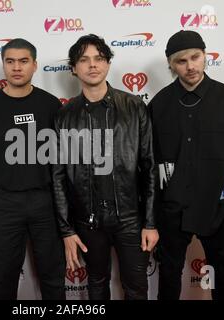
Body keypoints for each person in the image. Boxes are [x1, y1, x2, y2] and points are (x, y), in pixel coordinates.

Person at [149, 30, 224, 300]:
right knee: (169, 276)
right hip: (172, 209)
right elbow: (149, 162)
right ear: (171, 65)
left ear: (205, 56)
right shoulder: (158, 105)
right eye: (181, 61)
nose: (191, 66)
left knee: (223, 276)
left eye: (195, 57)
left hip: (218, 209)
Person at [52, 34, 159, 300]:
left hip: (130, 221)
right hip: (88, 222)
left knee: (136, 289)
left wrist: (149, 222)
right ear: (74, 68)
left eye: (99, 58)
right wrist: (67, 229)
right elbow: (59, 176)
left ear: (108, 63)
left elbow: (149, 167)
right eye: (84, 60)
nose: (92, 65)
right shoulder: (65, 116)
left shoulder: (134, 106)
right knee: (96, 286)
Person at [0, 38, 65, 300]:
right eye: (10, 61)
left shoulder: (52, 106)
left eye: (23, 61)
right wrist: (7, 181)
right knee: (1, 275)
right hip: (5, 202)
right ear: (3, 66)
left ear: (34, 65)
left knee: (53, 274)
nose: (16, 67)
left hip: (46, 201)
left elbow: (63, 156)